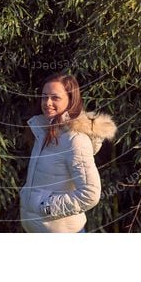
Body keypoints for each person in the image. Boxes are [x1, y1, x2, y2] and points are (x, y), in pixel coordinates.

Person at [19, 72, 117, 233]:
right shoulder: (44, 131)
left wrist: (47, 207)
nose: (47, 103)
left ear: (71, 101)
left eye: (55, 98)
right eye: (44, 97)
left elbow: (90, 193)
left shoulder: (75, 140)